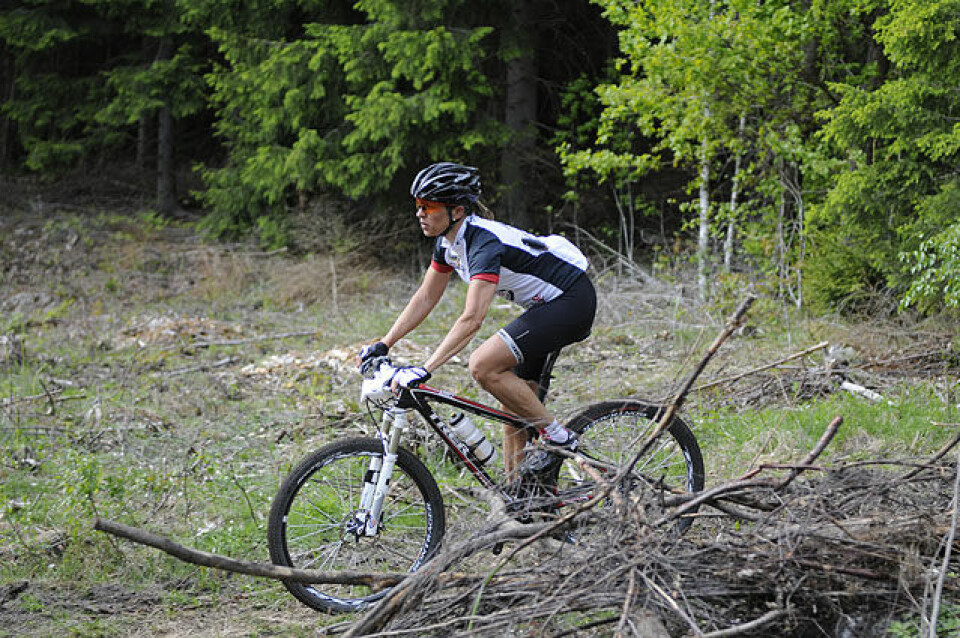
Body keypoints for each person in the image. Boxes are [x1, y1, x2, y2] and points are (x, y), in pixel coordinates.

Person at [358, 162, 596, 478]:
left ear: (456, 211)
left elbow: (471, 319)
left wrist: (426, 368)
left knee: (482, 365)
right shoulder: (448, 244)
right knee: (514, 409)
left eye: (428, 206)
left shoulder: (483, 244)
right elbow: (426, 297)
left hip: (571, 301)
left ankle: (559, 438)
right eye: (418, 206)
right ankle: (522, 502)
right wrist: (384, 343)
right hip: (547, 306)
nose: (420, 213)